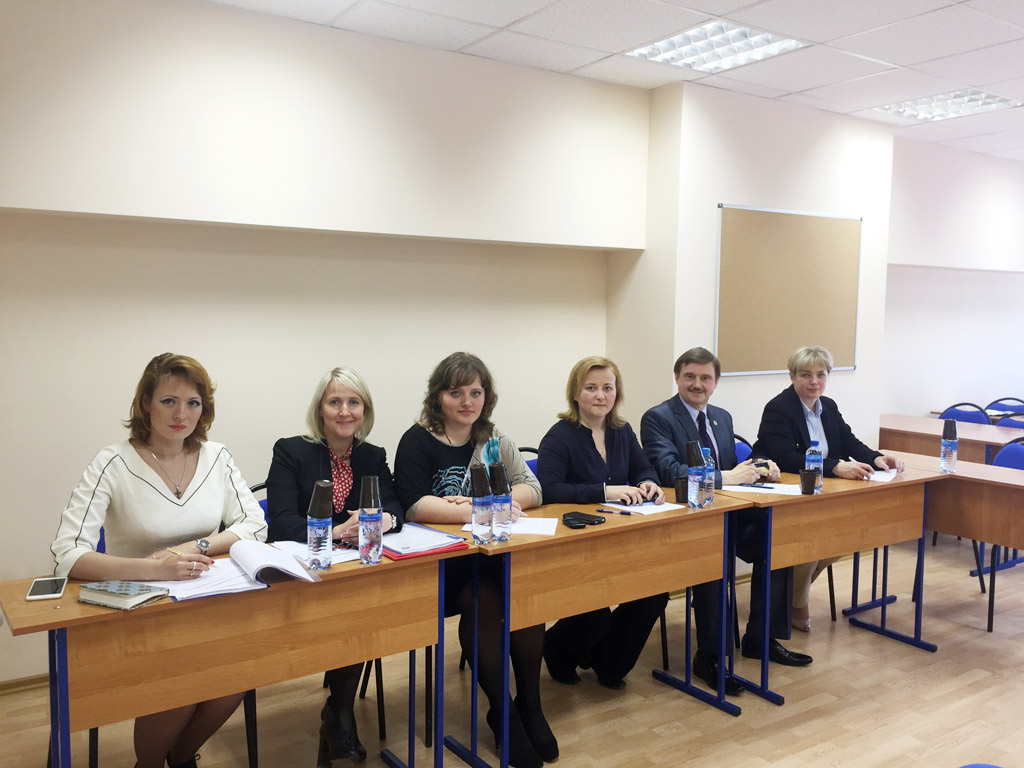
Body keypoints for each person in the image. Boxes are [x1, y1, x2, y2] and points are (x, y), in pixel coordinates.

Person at [50, 353, 268, 768]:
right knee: (179, 688)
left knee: (235, 679)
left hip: (205, 602)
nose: (181, 414)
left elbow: (255, 525)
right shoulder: (113, 462)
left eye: (193, 403)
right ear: (146, 404)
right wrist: (154, 568)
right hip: (138, 611)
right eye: (169, 401)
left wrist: (193, 548)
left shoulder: (216, 456)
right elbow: (66, 554)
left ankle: (181, 758)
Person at [394, 352, 555, 768]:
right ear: (438, 397)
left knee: (524, 592)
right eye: (456, 393)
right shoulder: (417, 440)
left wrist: (496, 501)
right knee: (484, 600)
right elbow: (412, 505)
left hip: (494, 553)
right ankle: (502, 711)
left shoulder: (493, 439)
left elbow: (533, 488)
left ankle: (530, 703)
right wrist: (480, 508)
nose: (467, 402)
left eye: (476, 392)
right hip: (442, 564)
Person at [641, 347, 811, 697]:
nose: (698, 384)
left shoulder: (721, 417)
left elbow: (734, 465)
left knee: (777, 541)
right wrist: (727, 477)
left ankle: (761, 639)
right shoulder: (658, 417)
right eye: (690, 376)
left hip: (729, 512)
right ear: (677, 378)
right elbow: (670, 472)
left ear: (716, 382)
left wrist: (761, 465)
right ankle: (711, 658)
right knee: (714, 555)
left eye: (706, 378)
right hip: (689, 519)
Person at [266, 367, 405, 765]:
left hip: (352, 574)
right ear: (320, 410)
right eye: (335, 402)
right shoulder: (291, 451)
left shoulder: (372, 456)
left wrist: (384, 520)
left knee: (359, 605)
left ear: (365, 410)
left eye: (353, 402)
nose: (345, 411)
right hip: (303, 571)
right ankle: (339, 715)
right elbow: (281, 522)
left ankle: (339, 714)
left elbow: (395, 506)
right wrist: (336, 530)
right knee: (353, 608)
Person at [751, 345, 905, 631]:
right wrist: (835, 466)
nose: (814, 381)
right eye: (806, 375)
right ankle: (796, 603)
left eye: (821, 375)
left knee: (837, 541)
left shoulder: (829, 407)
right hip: (785, 493)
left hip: (823, 493)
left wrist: (877, 458)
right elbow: (785, 457)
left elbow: (849, 442)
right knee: (810, 541)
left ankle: (787, 597)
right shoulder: (779, 408)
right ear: (792, 377)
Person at [537, 356, 666, 690]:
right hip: (577, 543)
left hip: (621, 537)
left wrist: (649, 482)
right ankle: (557, 651)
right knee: (594, 611)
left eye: (608, 388)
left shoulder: (622, 431)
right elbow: (548, 489)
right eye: (591, 388)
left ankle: (609, 664)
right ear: (575, 393)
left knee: (654, 593)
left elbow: (643, 467)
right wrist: (605, 491)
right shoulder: (559, 436)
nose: (600, 395)